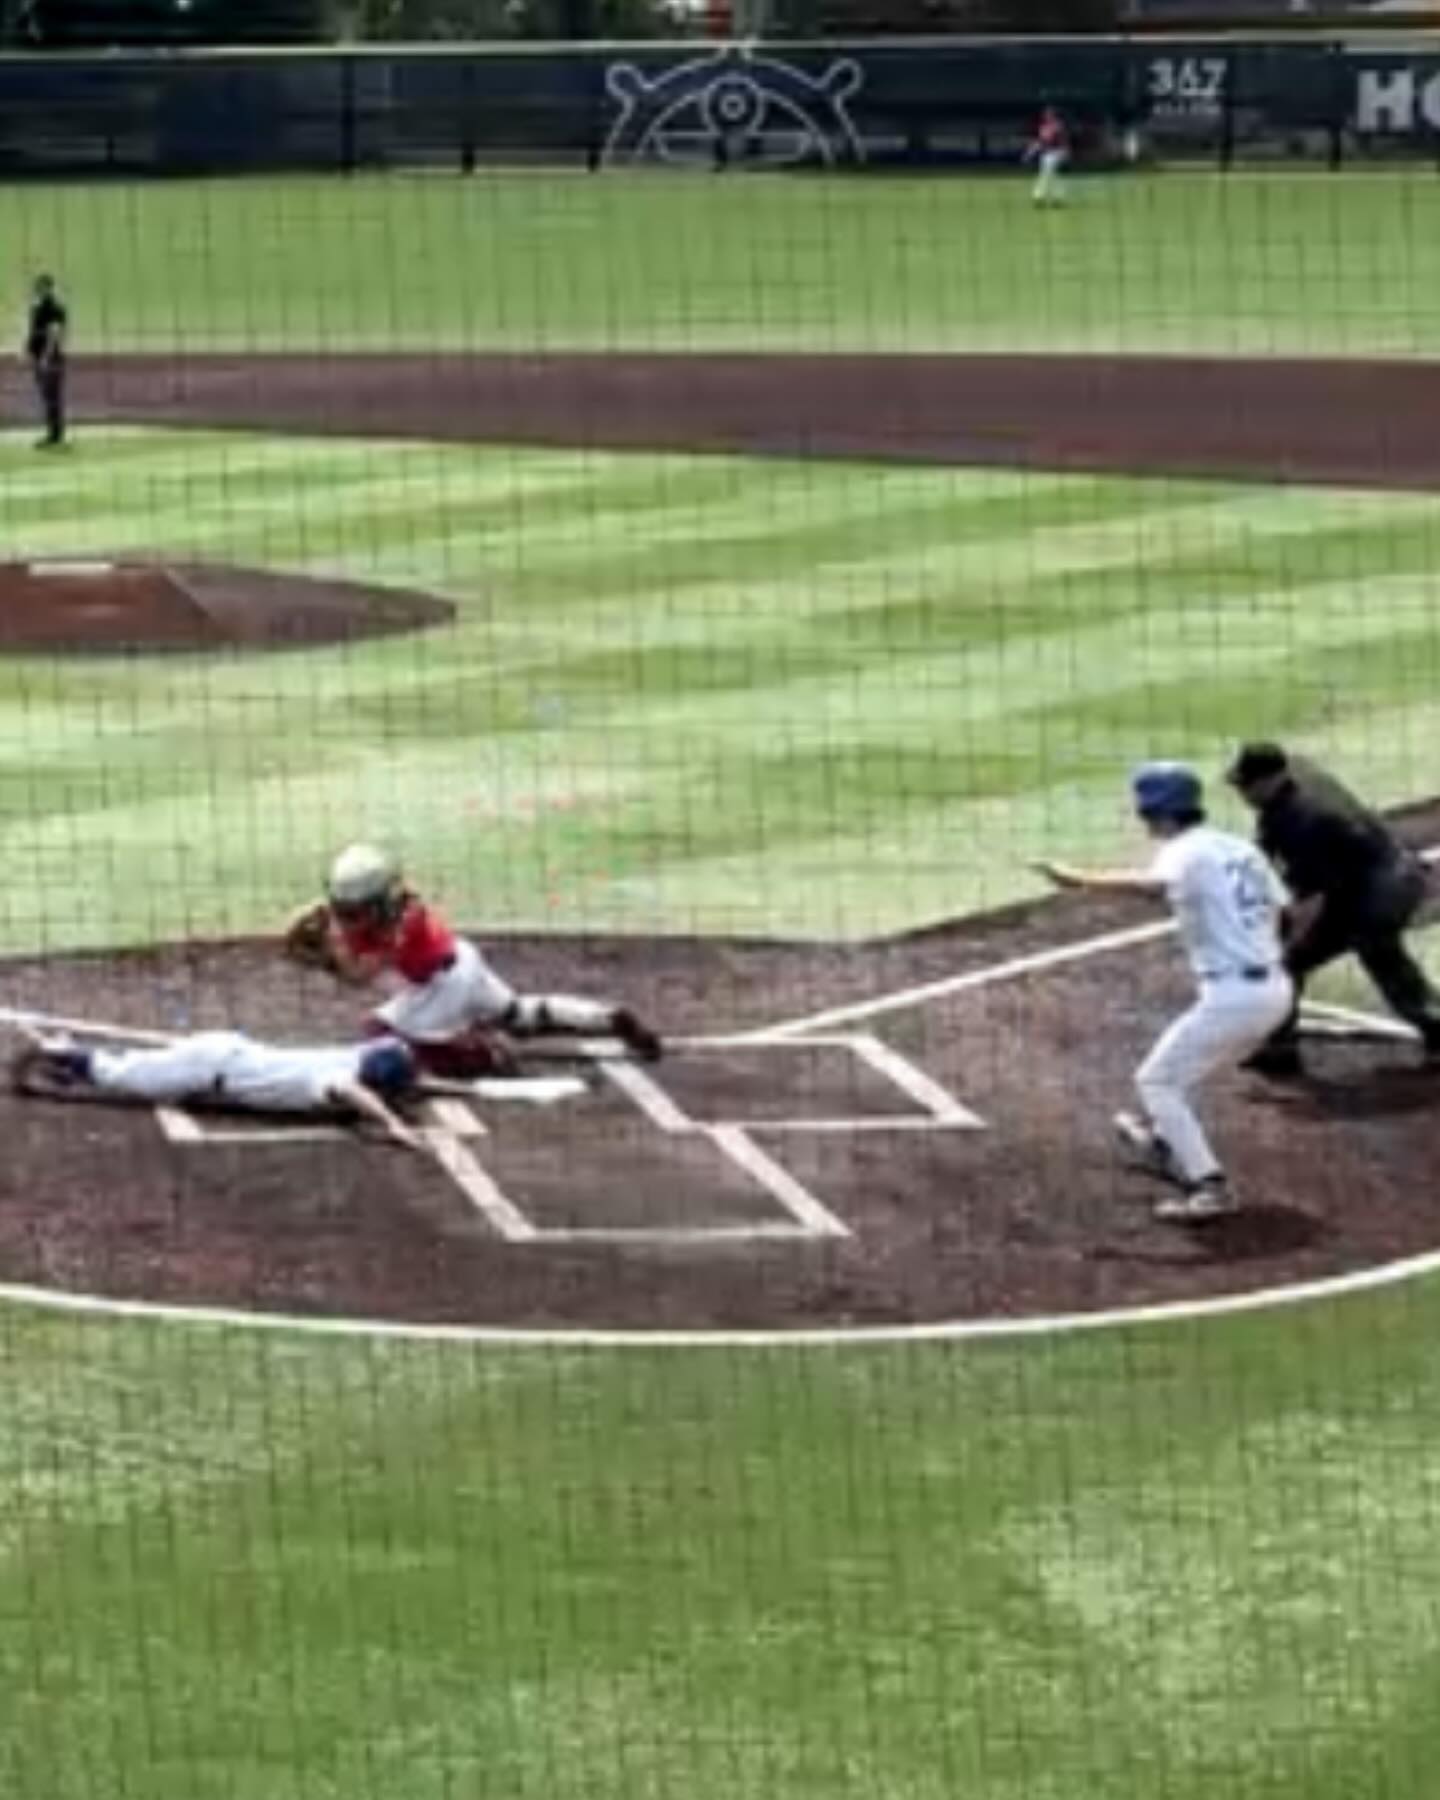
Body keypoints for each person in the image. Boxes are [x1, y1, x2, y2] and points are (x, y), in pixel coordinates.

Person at [1037, 762, 1292, 1221]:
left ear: (1158, 813)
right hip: (1275, 989)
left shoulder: (1185, 851)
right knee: (1184, 1071)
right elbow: (1281, 908)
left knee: (1155, 1080)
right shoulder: (1240, 848)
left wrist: (1077, 880)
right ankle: (1163, 1138)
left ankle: (1210, 1185)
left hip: (1235, 998)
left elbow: (1149, 886)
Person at [283, 843, 663, 1080]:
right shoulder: (386, 910)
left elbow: (359, 976)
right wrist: (327, 932)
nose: (346, 916)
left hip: (446, 986)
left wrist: (326, 960)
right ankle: (604, 1018)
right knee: (518, 1015)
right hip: (461, 962)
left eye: (354, 910)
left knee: (380, 1036)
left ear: (378, 901)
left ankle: (484, 1055)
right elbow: (336, 923)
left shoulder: (399, 924)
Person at [1226, 741, 1440, 1076]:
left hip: (1380, 892)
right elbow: (1268, 847)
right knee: (1300, 961)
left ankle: (1281, 1050)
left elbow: (1307, 894)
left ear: (1271, 779)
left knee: (1371, 956)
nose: (1242, 793)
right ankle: (1280, 1048)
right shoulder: (1290, 791)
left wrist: (1274, 930)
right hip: (1379, 876)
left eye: (1247, 785)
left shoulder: (1304, 821)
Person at [11, 1027, 427, 1150]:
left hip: (226, 1054)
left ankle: (69, 1061)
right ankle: (55, 1051)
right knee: (127, 1079)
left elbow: (382, 1061)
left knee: (144, 1072)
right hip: (210, 1067)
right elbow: (353, 1092)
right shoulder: (334, 1080)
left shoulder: (351, 1057)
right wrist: (392, 1124)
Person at [25, 273, 67, 450]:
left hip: (50, 358)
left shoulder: (55, 307)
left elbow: (55, 334)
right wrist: (27, 350)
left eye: (42, 286)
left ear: (49, 287)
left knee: (52, 397)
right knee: (47, 396)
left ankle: (55, 436)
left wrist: (45, 357)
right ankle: (53, 433)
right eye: (38, 287)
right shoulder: (37, 306)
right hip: (39, 358)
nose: (38, 290)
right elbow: (33, 331)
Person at [1024, 106, 1069, 207]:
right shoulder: (1044, 126)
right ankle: (1058, 198)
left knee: (1045, 174)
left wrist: (1065, 152)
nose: (1047, 116)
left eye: (1049, 114)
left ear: (1053, 115)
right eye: (1046, 114)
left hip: (1056, 152)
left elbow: (1055, 140)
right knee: (1052, 175)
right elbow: (1040, 141)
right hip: (1047, 153)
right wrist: (1030, 152)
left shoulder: (1057, 125)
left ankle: (1038, 196)